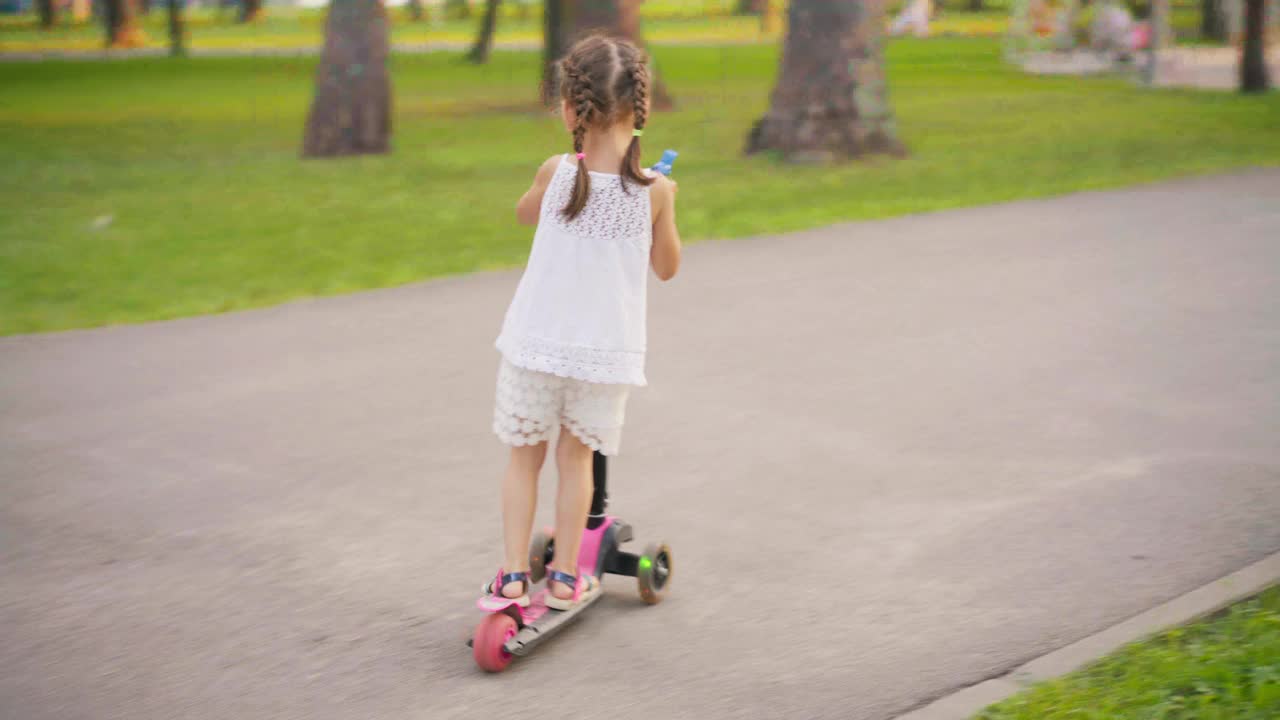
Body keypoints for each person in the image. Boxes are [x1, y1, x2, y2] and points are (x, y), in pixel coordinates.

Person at [482, 34, 682, 611]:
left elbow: (524, 212)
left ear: (571, 110)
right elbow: (666, 269)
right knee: (577, 464)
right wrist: (668, 204)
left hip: (535, 345)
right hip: (601, 356)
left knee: (524, 459)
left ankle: (514, 575)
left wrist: (551, 181)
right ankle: (567, 577)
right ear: (640, 111)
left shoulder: (555, 173)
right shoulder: (654, 191)